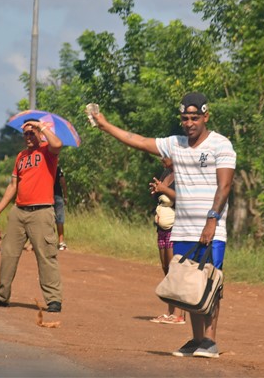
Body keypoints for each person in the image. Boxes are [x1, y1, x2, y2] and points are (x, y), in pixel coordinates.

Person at [91, 92, 236, 358]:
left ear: (206, 116)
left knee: (210, 282)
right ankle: (195, 340)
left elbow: (225, 186)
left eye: (194, 118)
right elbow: (139, 141)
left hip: (210, 228)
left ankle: (210, 342)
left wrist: (212, 220)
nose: (189, 123)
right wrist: (106, 125)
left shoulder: (221, 145)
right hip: (182, 228)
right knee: (187, 283)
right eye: (185, 118)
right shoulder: (175, 144)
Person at [0, 118, 64, 313]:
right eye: (25, 133)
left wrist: (41, 127)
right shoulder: (21, 157)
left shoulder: (47, 151)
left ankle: (54, 300)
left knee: (46, 256)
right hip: (19, 211)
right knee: (8, 253)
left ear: (39, 133)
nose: (27, 136)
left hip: (41, 211)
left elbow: (58, 144)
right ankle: (2, 296)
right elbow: (13, 185)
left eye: (31, 132)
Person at [148, 157, 186, 325]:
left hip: (175, 227)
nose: (161, 158)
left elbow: (182, 198)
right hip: (162, 228)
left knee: (175, 269)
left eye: (165, 155)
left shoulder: (182, 175)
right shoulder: (165, 173)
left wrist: (164, 188)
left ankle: (179, 313)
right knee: (165, 268)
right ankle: (170, 311)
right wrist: (157, 190)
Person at [54, 165, 69, 250]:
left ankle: (47, 242)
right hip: (58, 196)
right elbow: (63, 182)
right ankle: (61, 242)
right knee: (59, 219)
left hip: (46, 197)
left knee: (47, 219)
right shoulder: (58, 168)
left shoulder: (45, 167)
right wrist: (65, 196)